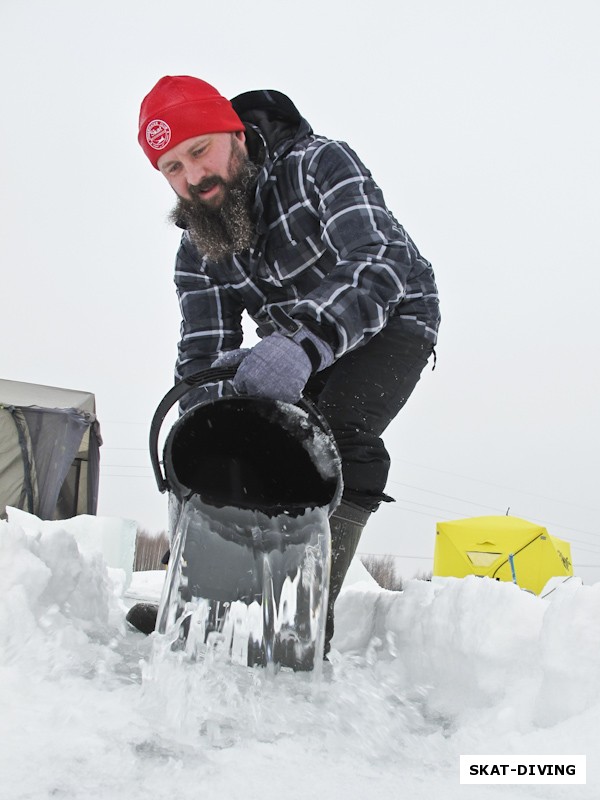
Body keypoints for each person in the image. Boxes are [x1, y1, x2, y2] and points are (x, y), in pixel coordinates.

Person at [129, 75, 440, 651]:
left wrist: (302, 343)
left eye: (200, 150)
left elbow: (379, 261)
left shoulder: (319, 164)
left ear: (235, 134)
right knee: (241, 434)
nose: (193, 177)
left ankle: (300, 617)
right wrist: (205, 434)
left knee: (335, 435)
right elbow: (202, 347)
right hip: (293, 343)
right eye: (172, 167)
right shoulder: (198, 242)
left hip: (393, 315)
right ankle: (201, 606)